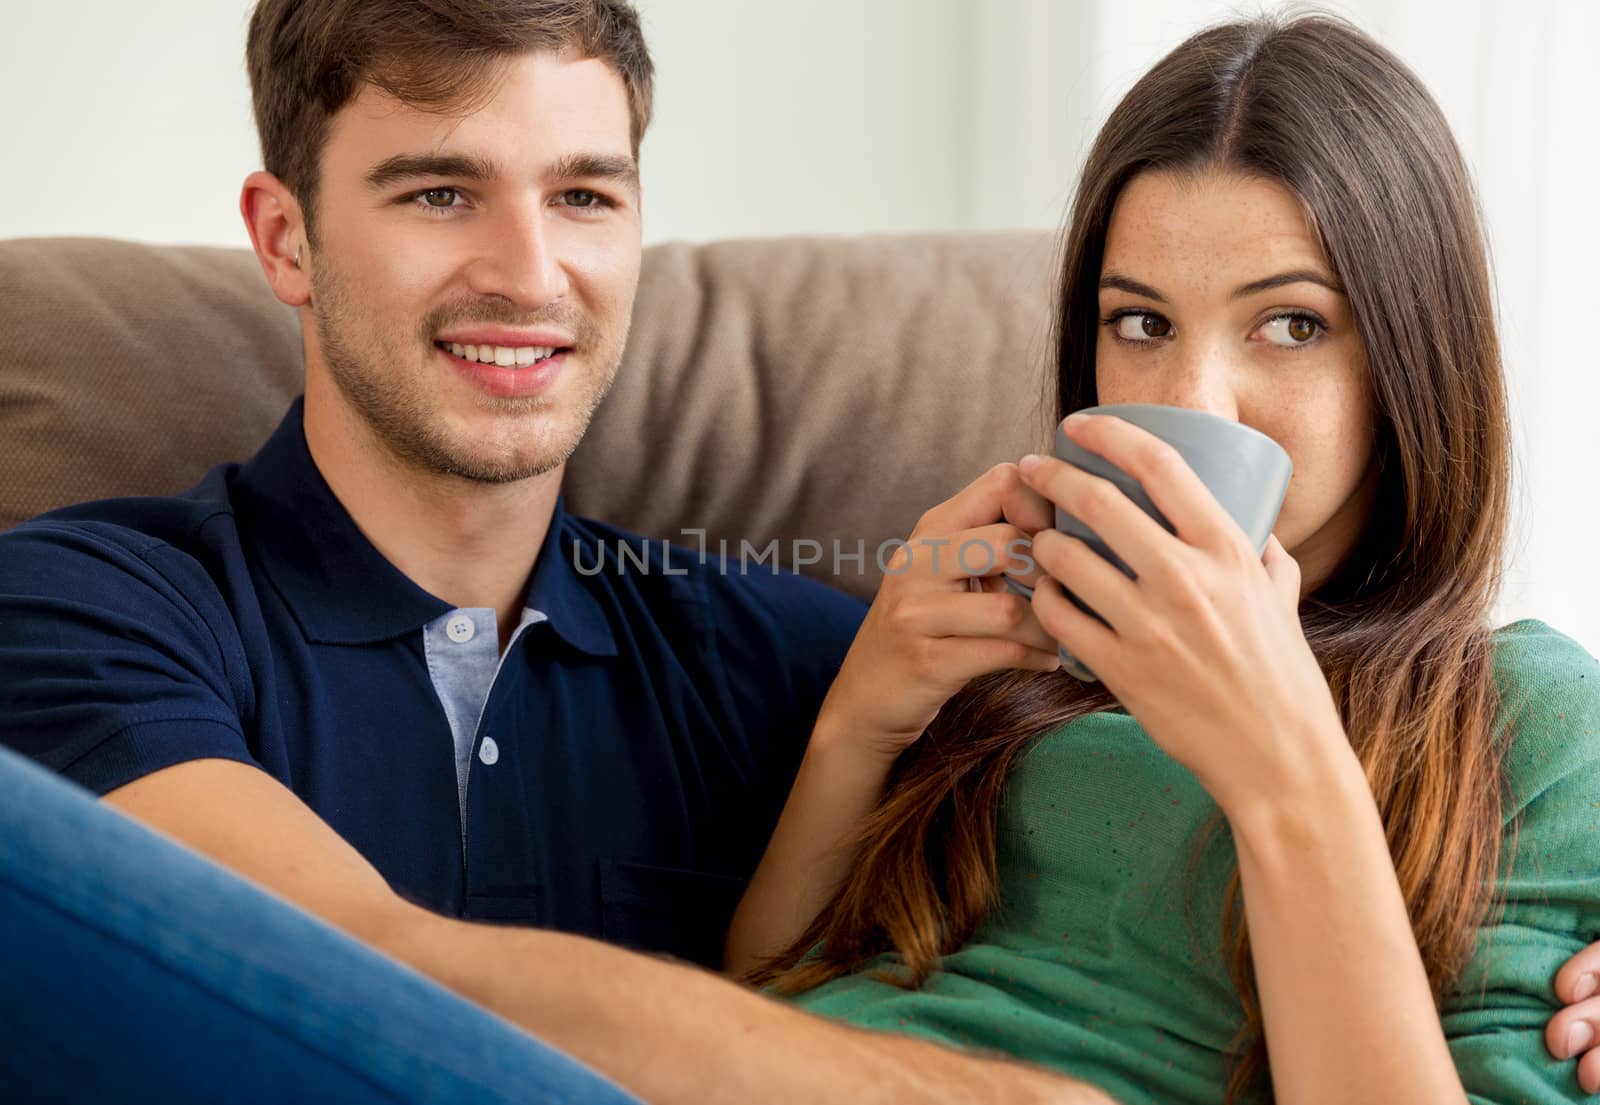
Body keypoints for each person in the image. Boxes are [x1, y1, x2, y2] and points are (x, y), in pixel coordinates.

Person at [0, 1, 1108, 1102]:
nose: (530, 276)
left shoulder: (797, 665)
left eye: (582, 195)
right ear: (286, 239)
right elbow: (343, 973)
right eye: (441, 193)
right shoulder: (82, 608)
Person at [724, 12, 1600, 1104]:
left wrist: (1279, 761)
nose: (1188, 402)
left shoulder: (1522, 716)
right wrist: (861, 721)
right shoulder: (1009, 663)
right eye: (1139, 323)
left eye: (1289, 326)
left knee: (472, 988)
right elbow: (759, 994)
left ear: (1410, 362)